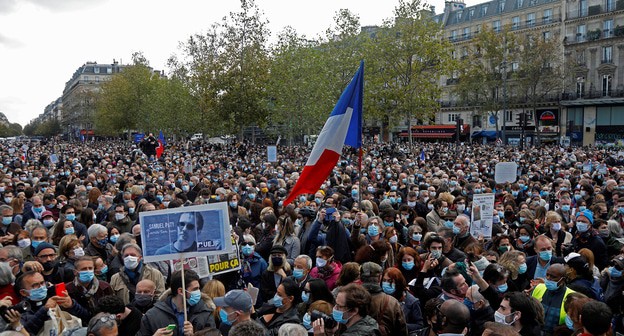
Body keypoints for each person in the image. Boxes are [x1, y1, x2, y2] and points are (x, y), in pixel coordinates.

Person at [138, 270, 215, 336]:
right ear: (180, 291)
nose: (198, 292)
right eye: (195, 289)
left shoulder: (205, 312)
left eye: (198, 288)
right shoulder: (152, 315)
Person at [16, 270, 88, 335]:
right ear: (23, 292)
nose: (41, 287)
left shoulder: (56, 298)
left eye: (42, 283)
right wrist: (45, 310)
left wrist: (72, 305)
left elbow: (86, 318)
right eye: (35, 285)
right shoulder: (19, 310)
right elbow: (25, 331)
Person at [311, 283, 380, 336]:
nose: (335, 309)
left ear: (354, 311)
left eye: (339, 306)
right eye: (335, 304)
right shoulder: (369, 323)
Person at [359, 262, 407, 336]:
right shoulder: (392, 302)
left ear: (360, 277)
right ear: (380, 278)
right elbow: (402, 330)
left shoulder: (350, 298)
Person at [66, 256, 114, 323]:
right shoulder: (68, 289)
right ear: (75, 272)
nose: (88, 271)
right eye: (84, 269)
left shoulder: (104, 287)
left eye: (90, 268)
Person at [530, 263, 575, 335]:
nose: (548, 278)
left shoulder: (571, 296)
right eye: (547, 275)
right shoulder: (538, 288)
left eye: (553, 277)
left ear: (562, 280)